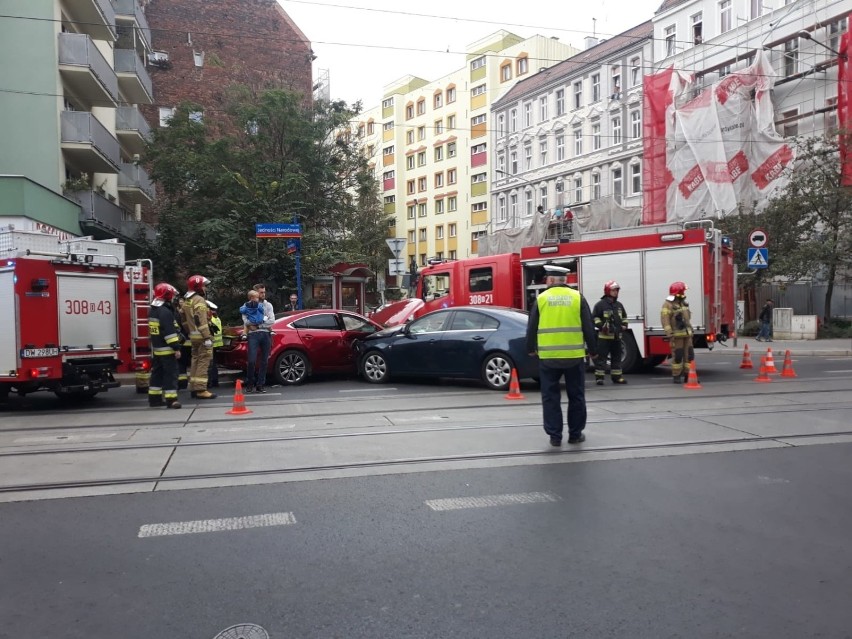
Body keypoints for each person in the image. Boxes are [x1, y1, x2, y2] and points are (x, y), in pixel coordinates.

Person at [526, 264, 598, 447]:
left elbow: (532, 326)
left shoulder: (541, 299)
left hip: (549, 358)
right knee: (577, 396)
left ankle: (555, 436)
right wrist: (594, 350)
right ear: (565, 281)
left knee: (550, 397)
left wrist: (530, 348)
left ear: (550, 280)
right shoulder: (577, 297)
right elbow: (589, 326)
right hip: (574, 357)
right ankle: (575, 434)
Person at [147, 282, 183, 409]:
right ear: (167, 295)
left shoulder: (153, 310)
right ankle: (171, 400)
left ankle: (154, 399)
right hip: (167, 350)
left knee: (156, 374)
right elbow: (169, 332)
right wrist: (176, 347)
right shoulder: (165, 312)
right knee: (171, 375)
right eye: (172, 295)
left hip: (157, 349)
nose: (173, 297)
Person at [181, 274, 217, 399]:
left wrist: (190, 331)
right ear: (198, 287)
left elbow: (183, 319)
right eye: (203, 286)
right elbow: (201, 321)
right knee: (203, 362)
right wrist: (207, 337)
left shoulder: (187, 300)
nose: (205, 288)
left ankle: (194, 387)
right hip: (202, 337)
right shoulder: (199, 300)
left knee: (195, 361)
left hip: (193, 337)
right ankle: (201, 389)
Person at [592, 280, 628, 385]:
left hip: (617, 337)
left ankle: (617, 377)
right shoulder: (600, 305)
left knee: (616, 358)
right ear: (607, 291)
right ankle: (599, 378)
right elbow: (594, 317)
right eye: (613, 290)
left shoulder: (619, 305)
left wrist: (624, 325)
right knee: (601, 358)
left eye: (617, 290)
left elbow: (624, 317)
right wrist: (601, 326)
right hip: (604, 338)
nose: (616, 292)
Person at [242, 282, 275, 393]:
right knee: (251, 360)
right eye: (261, 293)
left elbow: (272, 320)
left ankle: (260, 384)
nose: (263, 294)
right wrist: (251, 325)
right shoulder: (247, 305)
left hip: (265, 333)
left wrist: (258, 325)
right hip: (253, 335)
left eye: (264, 292)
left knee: (264, 361)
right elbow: (246, 321)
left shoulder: (268, 305)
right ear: (255, 293)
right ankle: (250, 382)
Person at [661, 281, 695, 384]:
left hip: (687, 335)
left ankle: (688, 375)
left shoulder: (683, 303)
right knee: (678, 355)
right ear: (678, 292)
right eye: (683, 291)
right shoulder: (668, 304)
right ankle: (676, 376)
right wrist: (669, 333)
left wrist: (691, 331)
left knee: (689, 355)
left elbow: (687, 319)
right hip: (676, 336)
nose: (684, 293)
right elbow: (665, 320)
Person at [207, 301, 223, 388]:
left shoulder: (210, 319)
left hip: (211, 343)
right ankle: (215, 381)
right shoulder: (217, 318)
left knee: (210, 364)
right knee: (214, 364)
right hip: (217, 344)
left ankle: (211, 382)